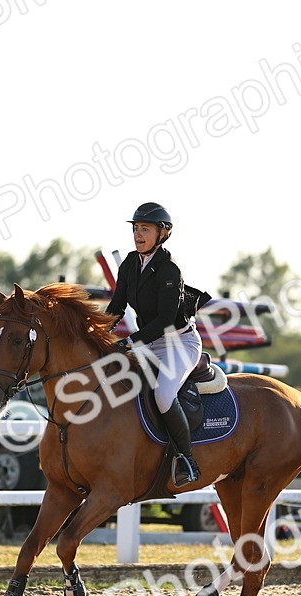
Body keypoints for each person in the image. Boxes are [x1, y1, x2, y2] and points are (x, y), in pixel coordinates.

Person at [106, 202, 204, 487]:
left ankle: (187, 460)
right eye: (136, 228)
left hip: (180, 342)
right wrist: (95, 331)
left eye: (145, 229)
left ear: (162, 234)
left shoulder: (169, 269)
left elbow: (164, 320)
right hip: (150, 342)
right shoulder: (129, 263)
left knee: (162, 394)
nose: (138, 234)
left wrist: (130, 342)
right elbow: (116, 306)